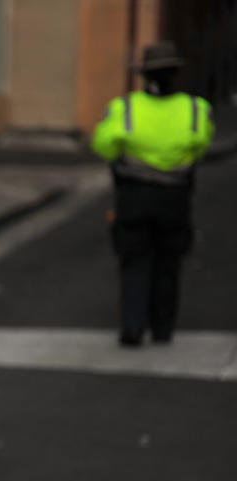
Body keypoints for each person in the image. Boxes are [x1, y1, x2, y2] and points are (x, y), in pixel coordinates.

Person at [91, 41, 214, 346]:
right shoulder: (196, 109)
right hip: (175, 198)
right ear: (175, 73)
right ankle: (162, 328)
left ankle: (132, 327)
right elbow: (201, 145)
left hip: (133, 196)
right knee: (168, 264)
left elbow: (104, 145)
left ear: (144, 76)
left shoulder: (125, 108)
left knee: (134, 261)